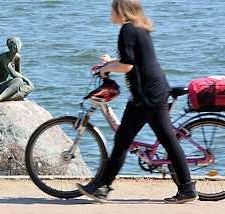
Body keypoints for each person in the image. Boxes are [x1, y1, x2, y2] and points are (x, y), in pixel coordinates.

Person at [77, 0, 198, 204]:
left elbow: (127, 66)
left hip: (145, 96)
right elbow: (130, 61)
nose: (110, 12)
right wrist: (108, 64)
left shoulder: (127, 30)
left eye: (112, 8)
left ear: (121, 10)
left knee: (122, 140)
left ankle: (102, 187)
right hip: (158, 90)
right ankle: (187, 189)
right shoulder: (139, 29)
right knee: (168, 139)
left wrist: (105, 69)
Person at [0, 36, 34, 105]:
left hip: (5, 87)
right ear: (10, 46)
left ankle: (7, 98)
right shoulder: (3, 57)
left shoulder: (17, 57)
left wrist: (24, 86)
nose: (17, 46)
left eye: (18, 44)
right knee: (19, 81)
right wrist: (27, 80)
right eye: (14, 45)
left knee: (26, 87)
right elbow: (12, 73)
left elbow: (18, 74)